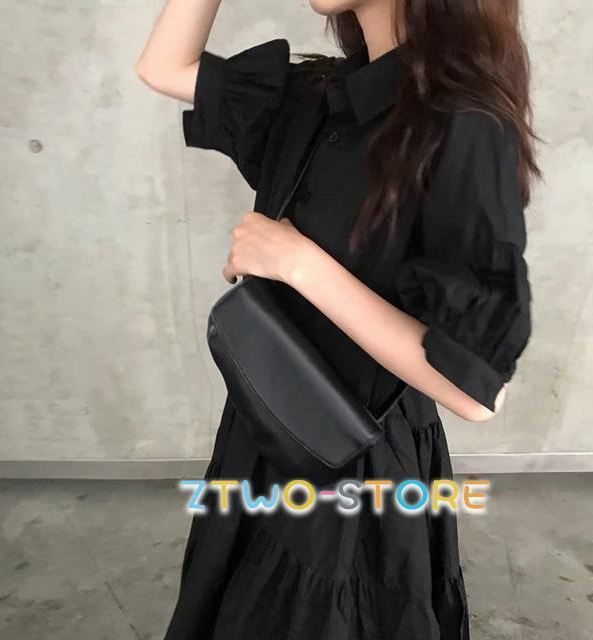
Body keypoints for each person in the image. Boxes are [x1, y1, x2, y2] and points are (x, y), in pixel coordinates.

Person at [136, 1, 538, 638]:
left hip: (354, 471)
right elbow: (164, 66)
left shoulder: (463, 125)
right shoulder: (320, 97)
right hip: (265, 430)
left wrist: (298, 263)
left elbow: (475, 391)